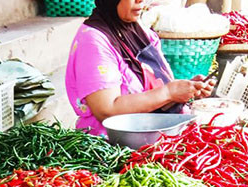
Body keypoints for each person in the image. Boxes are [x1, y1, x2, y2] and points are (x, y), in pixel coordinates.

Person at [65, 0, 213, 136]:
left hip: (153, 136)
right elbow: (106, 110)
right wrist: (169, 92)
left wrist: (186, 89)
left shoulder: (138, 31)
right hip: (117, 144)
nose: (140, 0)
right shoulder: (93, 41)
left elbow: (153, 90)